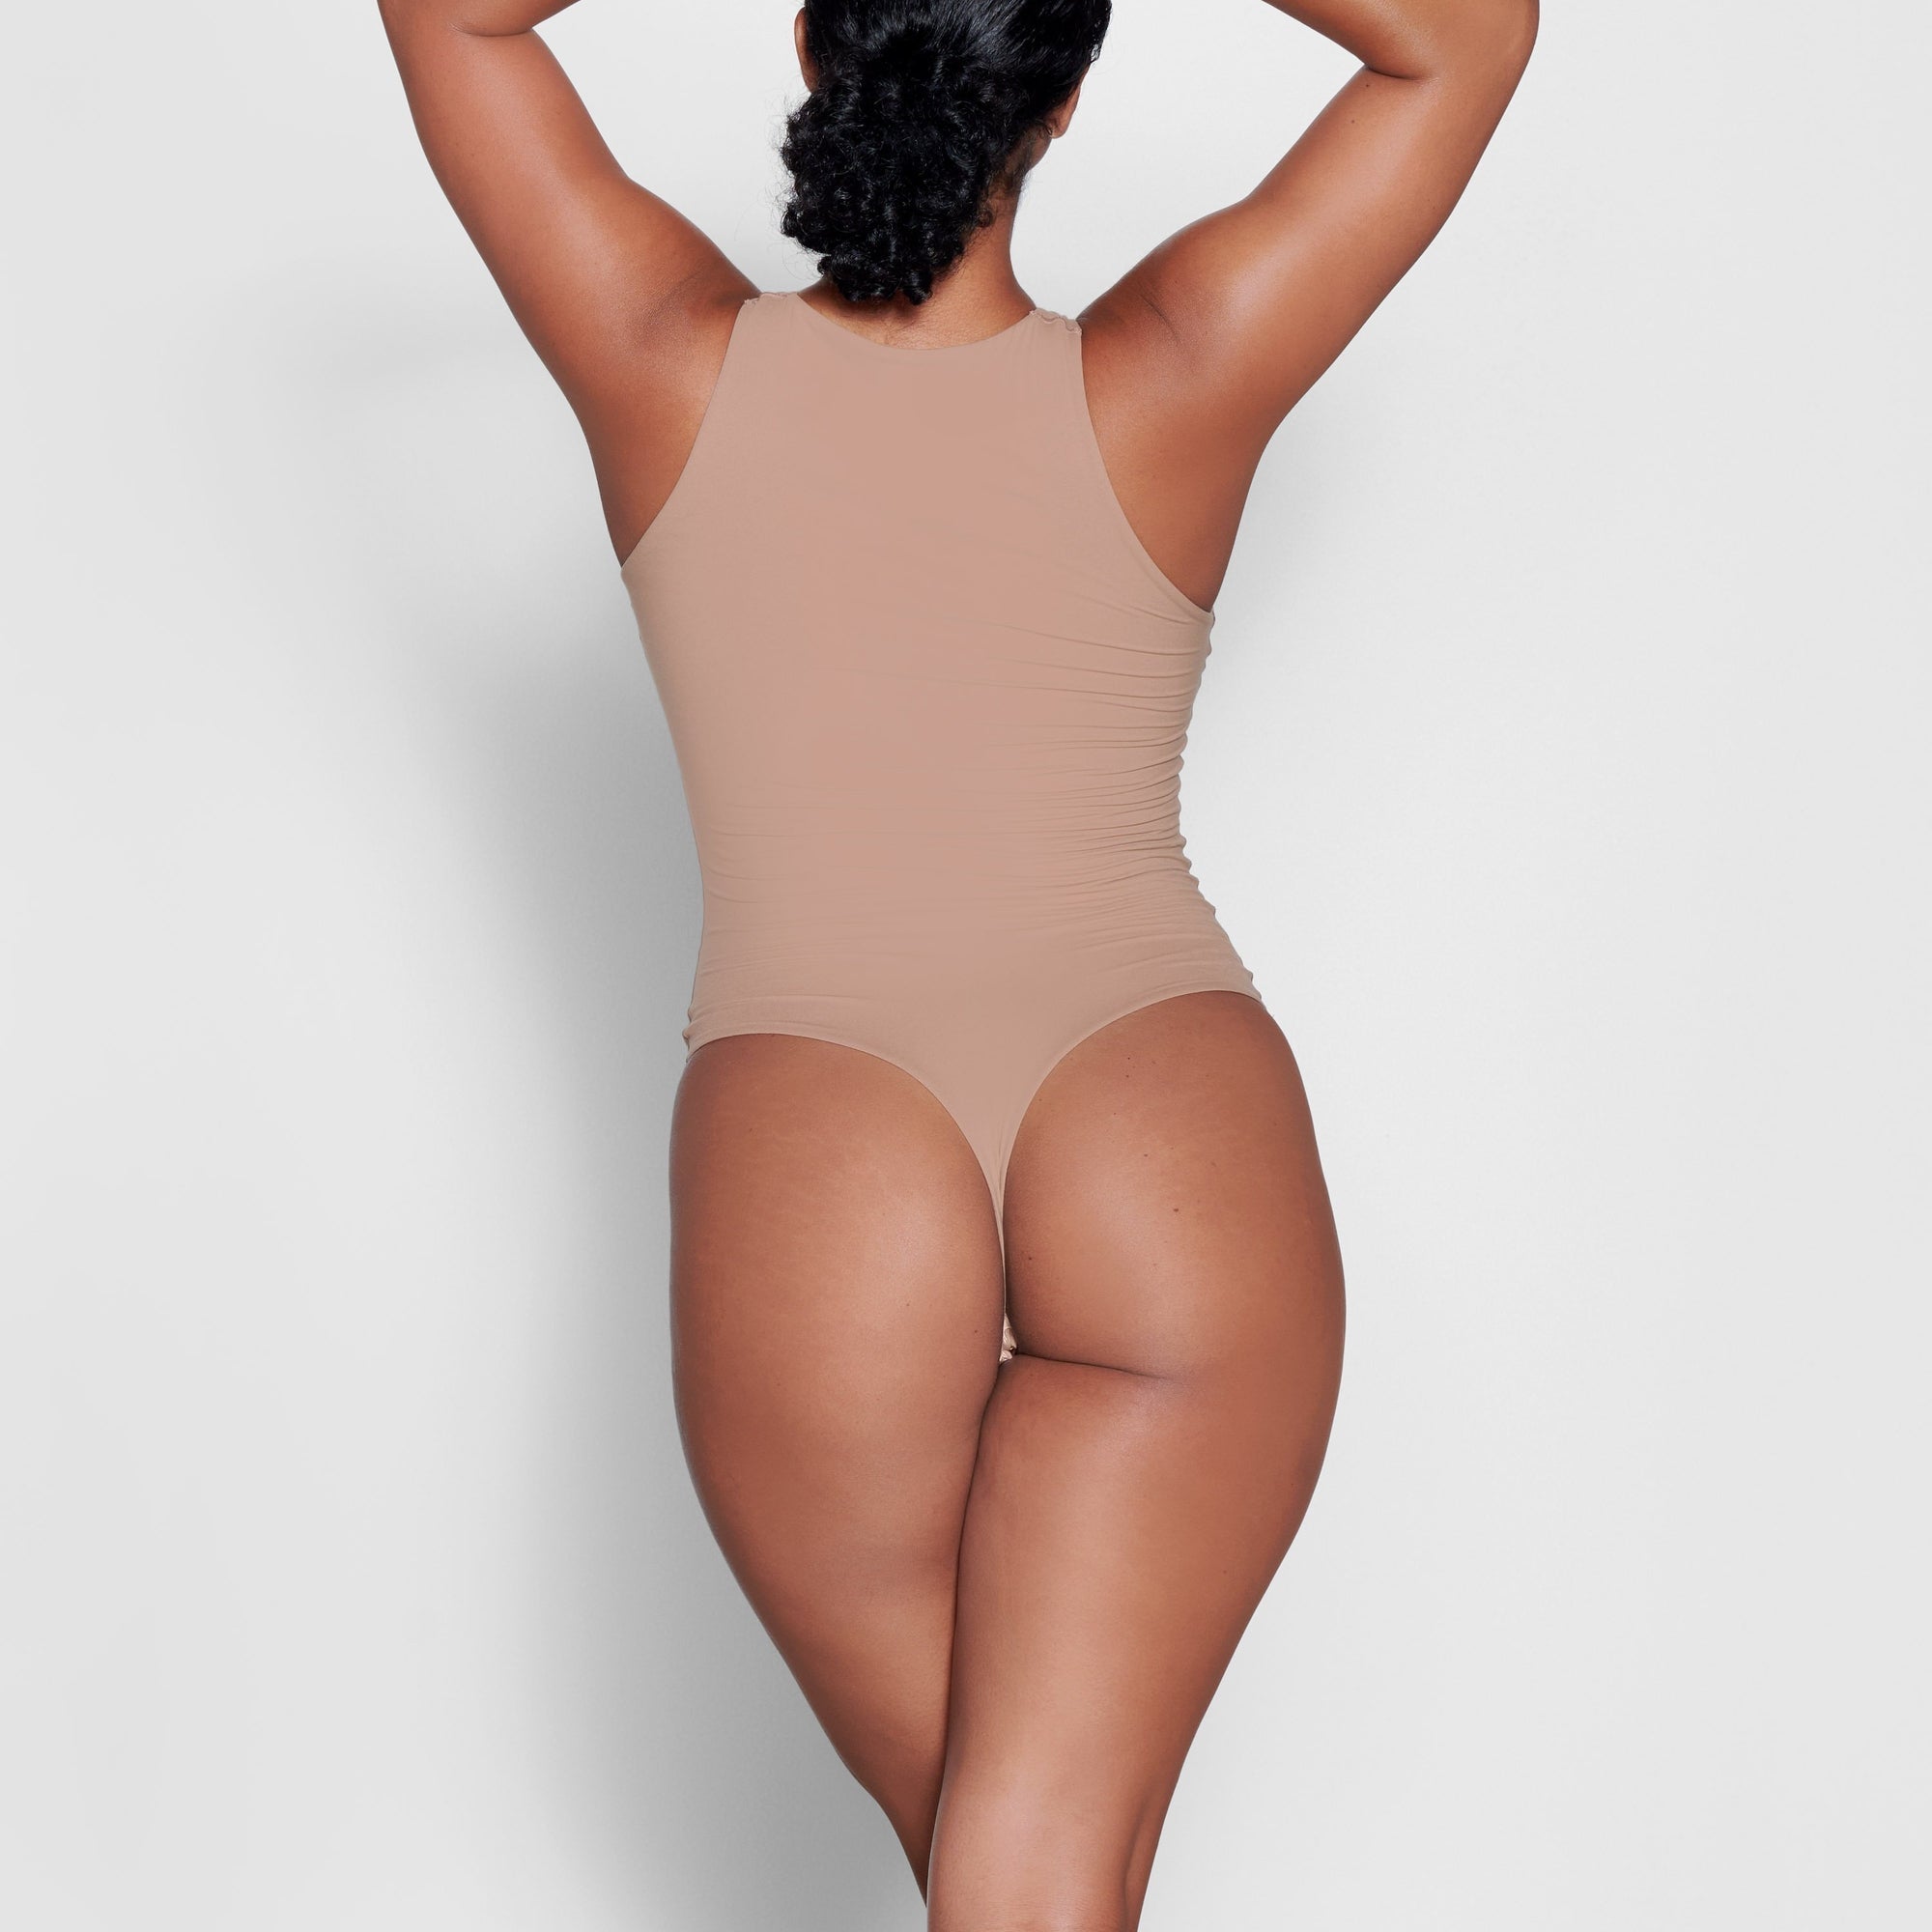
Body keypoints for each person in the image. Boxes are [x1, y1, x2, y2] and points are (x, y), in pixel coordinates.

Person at [378, 0, 1535, 1922]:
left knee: (1007, 1873)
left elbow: (449, 14)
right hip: (1160, 1100)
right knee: (1042, 1871)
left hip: (813, 1125)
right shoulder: (1178, 366)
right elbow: (1463, 42)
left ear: (812, 49)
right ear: (1059, 104)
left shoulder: (658, 353)